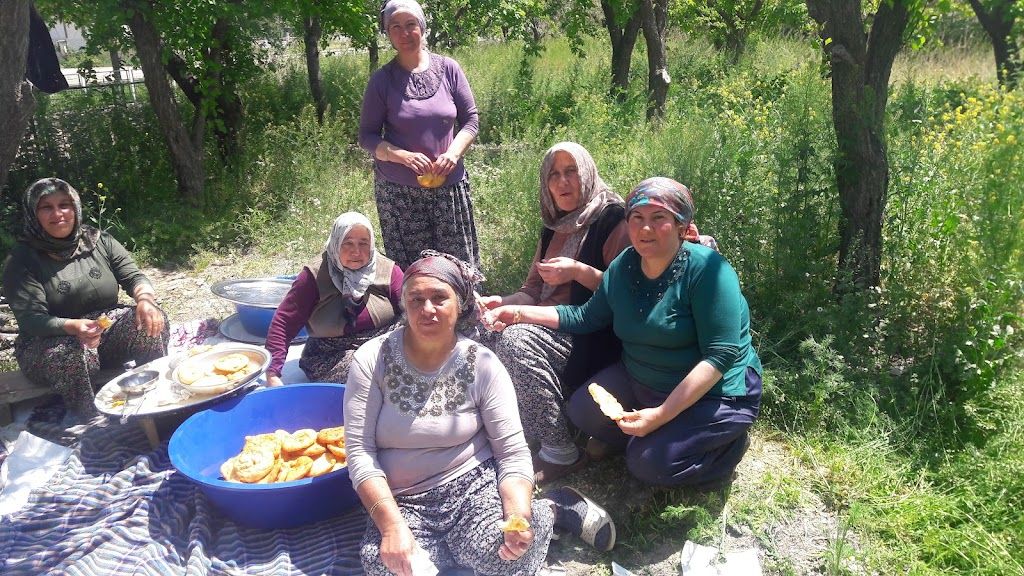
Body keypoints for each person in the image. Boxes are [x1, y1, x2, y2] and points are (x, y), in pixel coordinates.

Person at [344, 251, 616, 576]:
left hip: (471, 490)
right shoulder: (373, 360)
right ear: (403, 304)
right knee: (385, 566)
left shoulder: (482, 364)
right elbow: (359, 452)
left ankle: (553, 509)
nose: (427, 309)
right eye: (416, 299)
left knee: (506, 553)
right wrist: (390, 527)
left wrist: (518, 518)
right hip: (401, 500)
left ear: (459, 305)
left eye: (439, 298)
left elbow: (513, 454)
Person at [486, 177, 761, 489]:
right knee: (582, 412)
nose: (645, 229)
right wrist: (518, 313)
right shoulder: (624, 266)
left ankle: (726, 448)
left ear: (683, 227)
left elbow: (721, 355)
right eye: (637, 219)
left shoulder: (709, 270)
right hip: (644, 379)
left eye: (659, 219)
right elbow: (585, 316)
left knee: (648, 465)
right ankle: (661, 437)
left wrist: (659, 416)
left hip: (713, 391)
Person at [477, 141, 630, 483]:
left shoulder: (612, 219)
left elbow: (627, 292)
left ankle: (560, 450)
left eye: (571, 171)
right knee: (481, 329)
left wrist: (577, 272)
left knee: (517, 341)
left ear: (587, 174)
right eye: (554, 175)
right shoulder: (555, 224)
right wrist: (501, 302)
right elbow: (532, 289)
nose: (562, 182)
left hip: (592, 332)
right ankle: (506, 424)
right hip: (549, 321)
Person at [2, 177, 169, 417]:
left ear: (76, 207)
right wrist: (73, 327)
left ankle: (157, 400)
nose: (58, 213)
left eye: (64, 205)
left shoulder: (99, 241)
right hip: (47, 341)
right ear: (33, 214)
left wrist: (145, 300)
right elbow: (32, 320)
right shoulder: (21, 261)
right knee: (71, 353)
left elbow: (134, 277)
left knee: (150, 322)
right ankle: (90, 419)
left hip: (101, 329)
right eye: (46, 207)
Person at [358, 0, 481, 271]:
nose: (404, 33)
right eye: (395, 27)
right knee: (416, 270)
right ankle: (414, 314)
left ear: (422, 27)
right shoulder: (382, 80)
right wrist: (401, 156)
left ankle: (466, 313)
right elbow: (366, 136)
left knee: (458, 267)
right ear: (388, 34)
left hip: (449, 186)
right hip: (399, 193)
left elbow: (471, 121)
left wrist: (453, 153)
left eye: (411, 24)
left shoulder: (449, 69)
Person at [264, 212, 402, 387]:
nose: (356, 251)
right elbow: (284, 323)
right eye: (347, 243)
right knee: (366, 374)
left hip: (382, 341)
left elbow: (411, 307)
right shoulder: (313, 276)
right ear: (336, 243)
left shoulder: (386, 269)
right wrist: (272, 374)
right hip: (332, 352)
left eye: (363, 243)